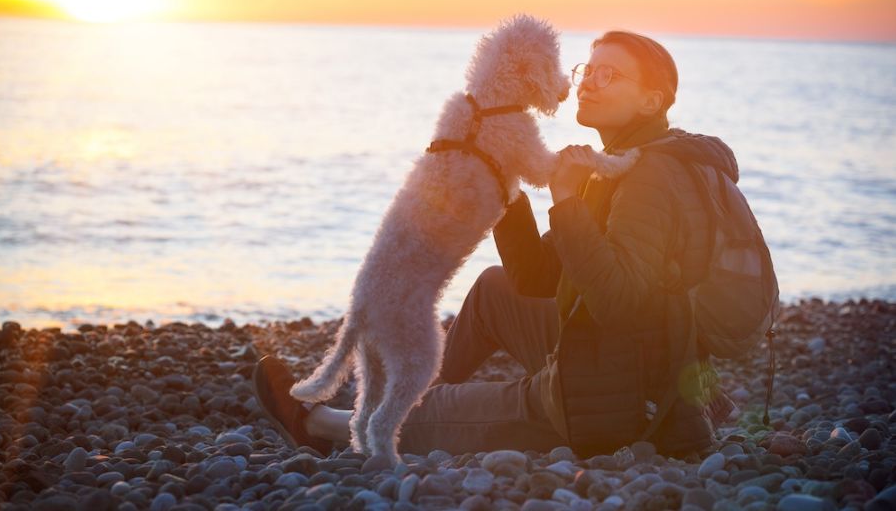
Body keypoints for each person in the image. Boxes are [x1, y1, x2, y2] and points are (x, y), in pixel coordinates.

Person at [253, 30, 737, 458]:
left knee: (439, 408)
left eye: (608, 74)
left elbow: (617, 301)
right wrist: (499, 179)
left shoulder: (649, 176)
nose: (587, 82)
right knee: (494, 288)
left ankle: (319, 425)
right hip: (620, 356)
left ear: (652, 102)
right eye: (588, 69)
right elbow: (537, 278)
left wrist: (567, 199)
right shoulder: (623, 161)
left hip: (614, 401)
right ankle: (406, 390)